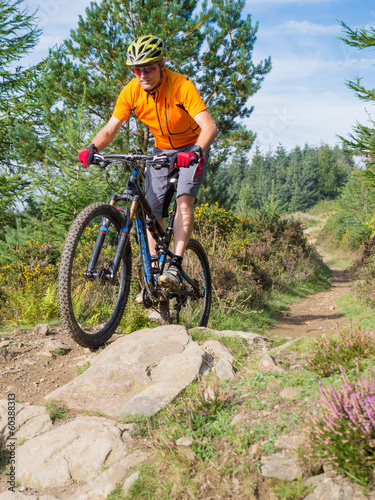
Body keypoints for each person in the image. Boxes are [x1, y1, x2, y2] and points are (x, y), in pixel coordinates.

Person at [78, 35, 218, 290]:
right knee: (151, 214)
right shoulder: (132, 90)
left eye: (148, 68)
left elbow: (209, 127)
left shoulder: (181, 86)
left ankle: (175, 263)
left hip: (190, 149)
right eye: (137, 69)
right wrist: (93, 147)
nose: (142, 74)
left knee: (184, 201)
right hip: (161, 152)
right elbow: (111, 128)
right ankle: (155, 272)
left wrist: (197, 150)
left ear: (162, 65)